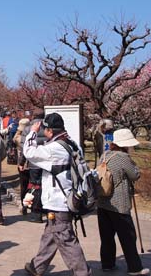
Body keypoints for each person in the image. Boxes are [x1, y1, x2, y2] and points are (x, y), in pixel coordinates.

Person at [23, 113, 92, 276]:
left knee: (65, 239)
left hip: (58, 200)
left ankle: (82, 272)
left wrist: (32, 132)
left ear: (50, 130)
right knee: (51, 234)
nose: (43, 132)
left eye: (44, 129)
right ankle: (37, 266)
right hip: (70, 196)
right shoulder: (72, 143)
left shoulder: (54, 149)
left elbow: (29, 152)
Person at [96, 128, 149, 275]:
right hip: (119, 203)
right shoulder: (123, 157)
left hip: (103, 202)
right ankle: (135, 267)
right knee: (128, 237)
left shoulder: (104, 155)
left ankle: (107, 264)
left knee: (106, 237)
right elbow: (134, 175)